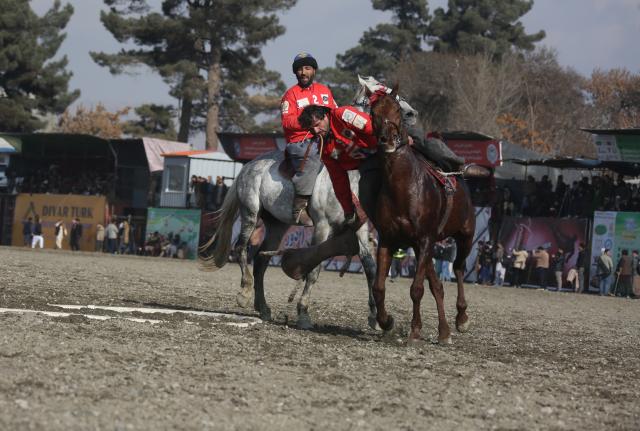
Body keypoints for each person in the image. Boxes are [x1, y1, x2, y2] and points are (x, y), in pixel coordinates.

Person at [298, 104, 377, 229]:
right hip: (368, 165)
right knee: (367, 191)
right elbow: (338, 180)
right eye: (311, 129)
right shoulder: (324, 149)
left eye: (317, 125)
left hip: (386, 148)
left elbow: (372, 127)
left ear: (325, 116)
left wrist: (399, 139)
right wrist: (348, 210)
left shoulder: (343, 114)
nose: (316, 131)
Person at [281, 52, 337, 225]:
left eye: (307, 68)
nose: (303, 72)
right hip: (301, 141)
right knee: (313, 157)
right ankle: (299, 208)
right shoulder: (290, 95)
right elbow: (286, 121)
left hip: (326, 138)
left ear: (314, 70)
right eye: (299, 69)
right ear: (295, 73)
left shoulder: (324, 91)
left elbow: (335, 111)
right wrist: (309, 122)